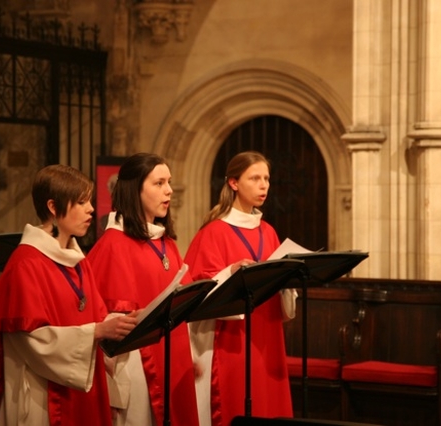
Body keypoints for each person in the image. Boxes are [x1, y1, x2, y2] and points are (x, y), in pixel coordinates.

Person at [0, 164, 139, 426]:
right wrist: (96, 332)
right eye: (82, 202)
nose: (92, 210)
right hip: (42, 395)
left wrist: (125, 321)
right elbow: (31, 341)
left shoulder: (77, 260)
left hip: (83, 386)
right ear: (53, 207)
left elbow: (94, 316)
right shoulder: (26, 263)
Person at [184, 151, 297, 426]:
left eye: (267, 178)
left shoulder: (267, 231)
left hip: (266, 334)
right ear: (234, 183)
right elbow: (197, 289)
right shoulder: (213, 232)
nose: (264, 185)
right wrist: (231, 272)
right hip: (232, 339)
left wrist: (287, 279)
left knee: (269, 406)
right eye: (255, 178)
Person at [86, 153, 200, 426]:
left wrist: (191, 354)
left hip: (175, 359)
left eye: (169, 182)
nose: (169, 190)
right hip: (137, 369)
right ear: (134, 189)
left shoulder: (166, 243)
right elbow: (105, 323)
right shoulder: (113, 245)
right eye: (159, 183)